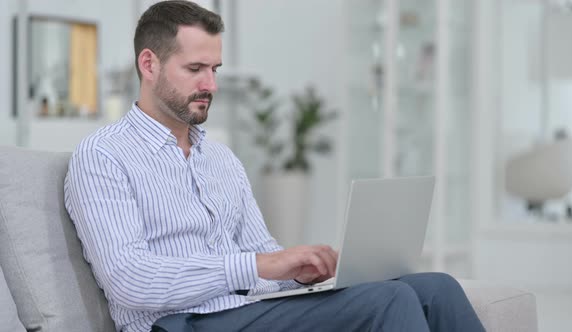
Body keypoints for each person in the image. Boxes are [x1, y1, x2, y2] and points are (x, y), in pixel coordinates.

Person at [64, 1, 485, 331]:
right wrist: (260, 265)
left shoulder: (220, 158)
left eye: (215, 69)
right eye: (195, 69)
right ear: (149, 64)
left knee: (435, 288)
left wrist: (297, 272)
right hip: (181, 323)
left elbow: (264, 259)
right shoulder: (103, 156)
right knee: (389, 301)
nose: (210, 85)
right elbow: (129, 279)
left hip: (247, 312)